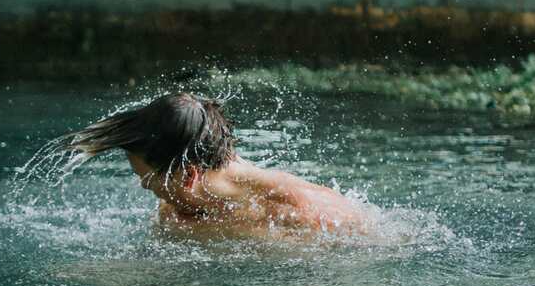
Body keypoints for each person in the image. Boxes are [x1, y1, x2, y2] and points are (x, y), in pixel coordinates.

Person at [39, 92, 374, 240]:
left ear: (189, 175)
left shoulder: (299, 214)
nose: (145, 188)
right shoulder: (183, 207)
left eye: (147, 180)